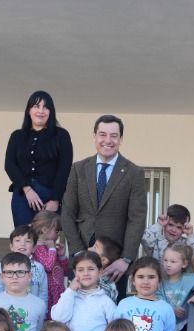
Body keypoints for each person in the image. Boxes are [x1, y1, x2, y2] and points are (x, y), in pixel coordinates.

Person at [61, 115, 146, 283]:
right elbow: (68, 212)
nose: (108, 140)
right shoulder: (78, 169)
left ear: (121, 139)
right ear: (94, 137)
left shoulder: (134, 173)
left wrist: (126, 259)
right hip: (81, 255)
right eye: (102, 134)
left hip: (115, 262)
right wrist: (78, 253)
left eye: (114, 135)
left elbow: (137, 219)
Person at [3, 90, 74, 229]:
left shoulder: (61, 135)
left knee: (47, 240)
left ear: (51, 112)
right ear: (29, 110)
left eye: (46, 107)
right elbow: (9, 165)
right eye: (36, 106)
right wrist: (27, 189)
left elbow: (64, 169)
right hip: (23, 196)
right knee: (24, 238)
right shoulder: (17, 136)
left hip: (50, 197)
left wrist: (55, 199)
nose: (41, 111)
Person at [50, 250, 116, 331]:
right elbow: (58, 318)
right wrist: (70, 291)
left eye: (91, 269)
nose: (86, 273)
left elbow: (115, 327)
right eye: (80, 270)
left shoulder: (105, 302)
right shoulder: (69, 296)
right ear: (75, 273)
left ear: (100, 272)